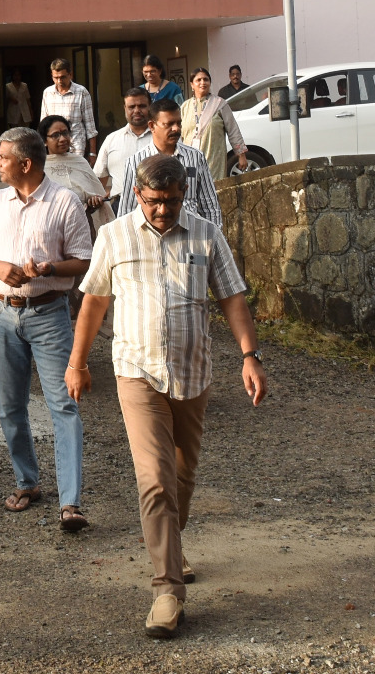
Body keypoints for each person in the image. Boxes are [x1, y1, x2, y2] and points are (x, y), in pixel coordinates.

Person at [66, 153, 267, 640]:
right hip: (136, 372)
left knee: (181, 476)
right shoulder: (114, 236)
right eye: (155, 201)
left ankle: (170, 549)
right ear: (137, 194)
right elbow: (94, 300)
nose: (163, 210)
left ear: (183, 196)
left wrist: (249, 355)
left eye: (172, 201)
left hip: (192, 374)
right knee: (154, 479)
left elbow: (231, 296)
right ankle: (167, 590)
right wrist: (77, 362)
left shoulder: (204, 233)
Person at [0, 126, 94, 531]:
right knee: (10, 407)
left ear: (25, 163)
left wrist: (50, 268)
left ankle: (70, 503)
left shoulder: (65, 203)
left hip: (49, 314)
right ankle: (28, 481)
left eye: (2, 157)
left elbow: (84, 261)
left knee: (64, 406)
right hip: (1, 313)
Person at [116, 99, 222, 226]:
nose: (176, 129)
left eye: (179, 123)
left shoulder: (195, 157)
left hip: (190, 235)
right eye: (169, 124)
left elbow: (210, 206)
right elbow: (127, 210)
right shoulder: (136, 162)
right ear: (151, 126)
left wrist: (213, 237)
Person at [39, 115, 112, 234]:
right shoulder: (39, 167)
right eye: (55, 135)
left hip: (82, 228)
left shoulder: (80, 162)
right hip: (50, 229)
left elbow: (96, 192)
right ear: (44, 141)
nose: (62, 139)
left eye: (65, 133)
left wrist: (94, 201)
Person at [179, 67, 247, 183]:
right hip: (190, 160)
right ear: (192, 84)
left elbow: (233, 130)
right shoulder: (185, 107)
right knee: (191, 189)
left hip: (213, 158)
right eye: (198, 80)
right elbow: (178, 134)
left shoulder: (220, 104)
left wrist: (241, 155)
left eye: (206, 79)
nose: (202, 83)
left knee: (214, 190)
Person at [95, 88, 153, 214]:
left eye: (142, 106)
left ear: (150, 106)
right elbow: (99, 180)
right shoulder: (112, 140)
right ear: (125, 108)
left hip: (155, 206)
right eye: (131, 107)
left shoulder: (161, 138)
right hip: (120, 207)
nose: (137, 111)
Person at [39, 59, 97, 161]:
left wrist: (92, 153)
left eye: (63, 77)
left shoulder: (81, 92)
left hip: (76, 147)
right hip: (54, 147)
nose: (59, 81)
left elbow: (90, 125)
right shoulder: (47, 93)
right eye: (56, 78)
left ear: (70, 75)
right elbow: (44, 123)